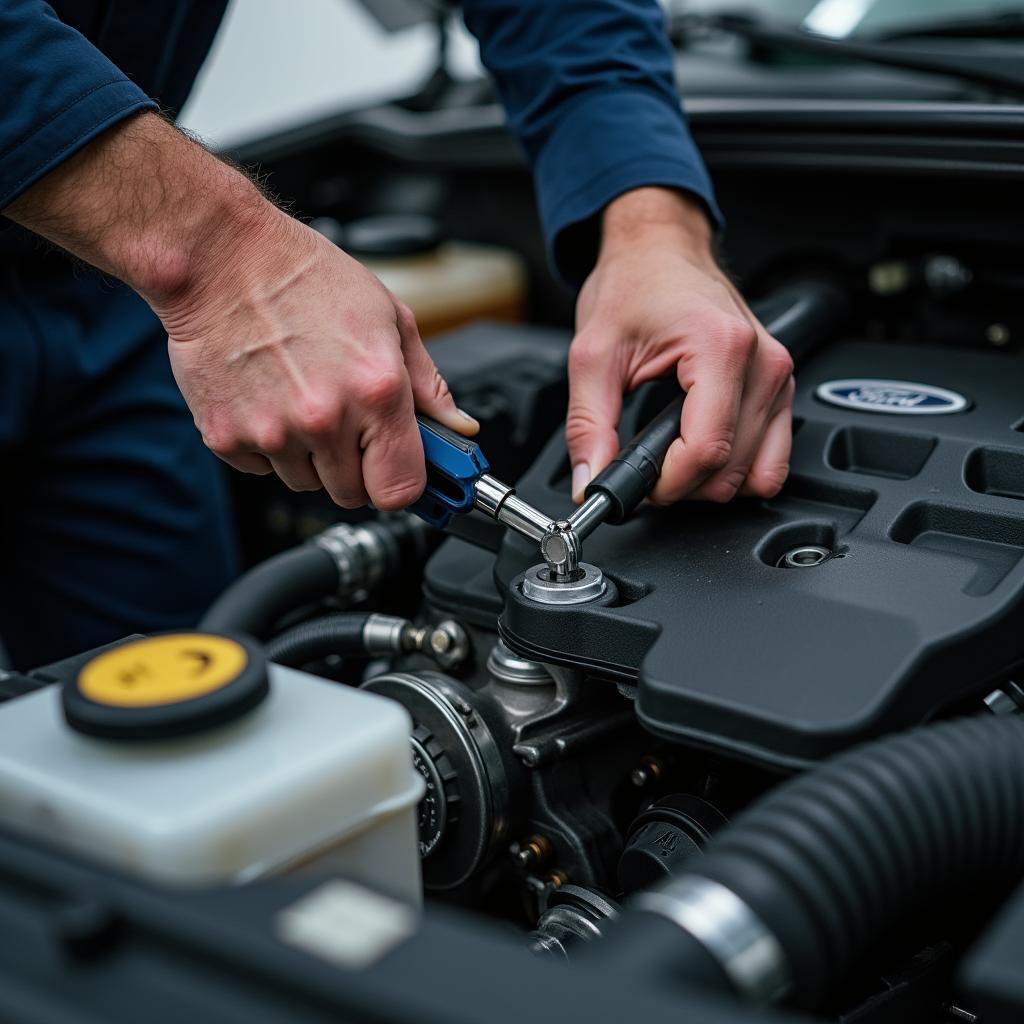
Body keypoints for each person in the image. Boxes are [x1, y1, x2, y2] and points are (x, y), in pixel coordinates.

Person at [0, 0, 793, 669]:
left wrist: (651, 222)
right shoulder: (202, 262)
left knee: (170, 709)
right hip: (154, 254)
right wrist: (215, 251)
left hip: (107, 284)